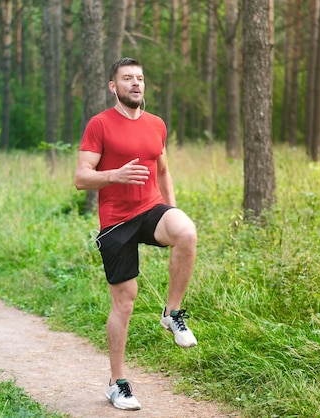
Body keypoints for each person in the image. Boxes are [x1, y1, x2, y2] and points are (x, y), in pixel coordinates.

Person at [73, 57, 198, 411]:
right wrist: (113, 175)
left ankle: (171, 313)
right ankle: (117, 382)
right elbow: (81, 177)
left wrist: (172, 210)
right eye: (127, 78)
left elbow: (163, 169)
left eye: (140, 78)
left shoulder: (157, 124)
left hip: (151, 210)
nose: (136, 84)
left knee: (186, 231)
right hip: (116, 221)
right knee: (124, 302)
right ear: (113, 86)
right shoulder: (99, 125)